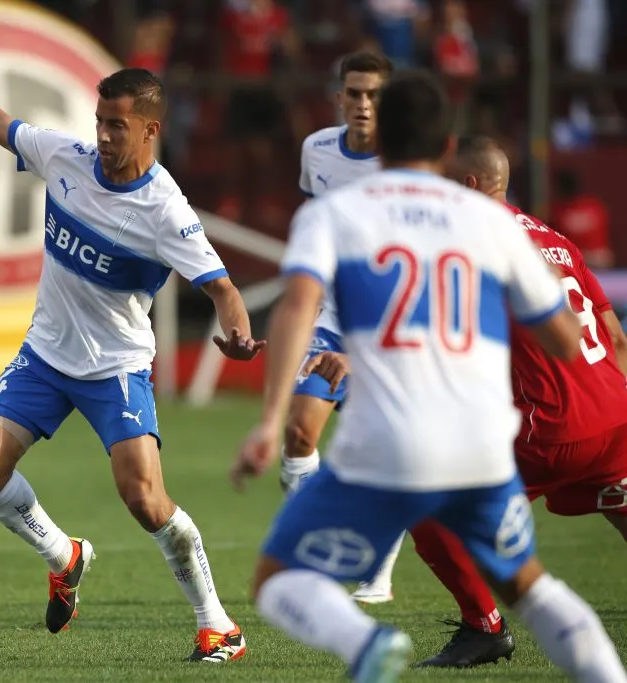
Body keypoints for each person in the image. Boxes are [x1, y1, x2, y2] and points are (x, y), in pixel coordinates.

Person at [0, 13, 264, 662]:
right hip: (45, 356)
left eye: (118, 126)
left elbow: (221, 287)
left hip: (116, 366)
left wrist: (237, 328)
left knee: (144, 497)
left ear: (150, 129)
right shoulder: (66, 159)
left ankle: (218, 621)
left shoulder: (164, 208)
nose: (105, 136)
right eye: (100, 122)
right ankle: (63, 554)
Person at [231, 70, 627, 683]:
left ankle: (368, 643)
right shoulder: (493, 225)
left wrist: (267, 420)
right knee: (532, 584)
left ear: (379, 143)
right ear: (445, 147)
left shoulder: (337, 212)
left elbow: (296, 307)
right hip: (491, 438)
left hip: (394, 440)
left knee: (276, 579)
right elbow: (566, 339)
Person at [406, 135, 627, 668]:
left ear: (468, 185)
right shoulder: (554, 238)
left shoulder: (473, 243)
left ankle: (484, 627)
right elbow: (616, 338)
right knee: (618, 499)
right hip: (617, 412)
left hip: (552, 427)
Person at [287, 50, 402, 605]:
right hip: (333, 317)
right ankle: (320, 549)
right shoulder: (318, 150)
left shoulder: (407, 163)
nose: (362, 104)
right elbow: (313, 226)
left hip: (392, 328)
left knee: (387, 448)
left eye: (374, 95)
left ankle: (378, 569)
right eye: (354, 93)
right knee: (298, 433)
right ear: (339, 96)